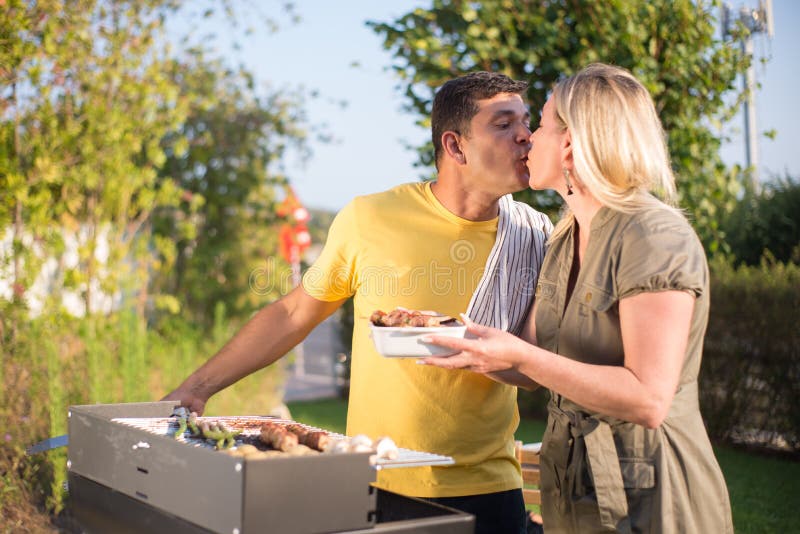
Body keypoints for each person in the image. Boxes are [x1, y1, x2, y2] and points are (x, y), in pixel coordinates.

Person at [163, 71, 553, 534]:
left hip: (489, 491)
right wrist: (198, 387)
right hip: (373, 480)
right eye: (504, 124)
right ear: (455, 146)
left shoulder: (536, 235)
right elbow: (293, 313)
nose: (526, 136)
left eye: (525, 122)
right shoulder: (371, 218)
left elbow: (532, 369)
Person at [421, 63, 734, 533]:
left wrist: (519, 354)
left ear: (570, 143)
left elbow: (649, 399)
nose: (528, 137)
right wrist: (442, 336)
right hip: (575, 491)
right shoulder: (564, 238)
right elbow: (524, 361)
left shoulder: (653, 235)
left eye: (540, 124)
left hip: (652, 496)